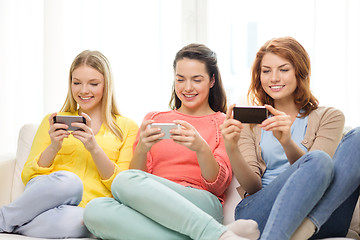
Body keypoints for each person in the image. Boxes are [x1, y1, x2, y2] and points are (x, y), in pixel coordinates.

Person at [83, 43, 260, 240]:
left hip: (200, 203)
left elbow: (217, 187)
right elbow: (136, 183)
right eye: (181, 79)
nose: (188, 87)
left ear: (211, 81)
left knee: (123, 180)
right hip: (156, 206)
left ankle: (215, 234)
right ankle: (219, 234)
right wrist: (142, 149)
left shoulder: (222, 122)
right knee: (94, 210)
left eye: (197, 80)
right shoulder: (155, 118)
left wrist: (201, 148)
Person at [221, 36, 360, 240]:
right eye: (266, 71)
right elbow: (253, 187)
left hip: (321, 213)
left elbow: (321, 176)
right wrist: (231, 148)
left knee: (350, 142)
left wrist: (286, 141)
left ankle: (302, 229)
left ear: (299, 72)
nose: (274, 78)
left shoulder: (329, 117)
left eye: (283, 69)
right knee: (318, 159)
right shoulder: (250, 123)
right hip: (261, 211)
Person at [0, 50, 139, 238]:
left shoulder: (126, 127)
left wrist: (94, 148)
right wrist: (53, 147)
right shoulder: (53, 121)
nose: (83, 90)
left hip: (79, 211)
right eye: (77, 83)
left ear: (106, 85)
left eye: (93, 83)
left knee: (82, 221)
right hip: (44, 198)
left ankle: (12, 223)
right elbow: (28, 176)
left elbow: (122, 186)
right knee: (69, 181)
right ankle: (4, 218)